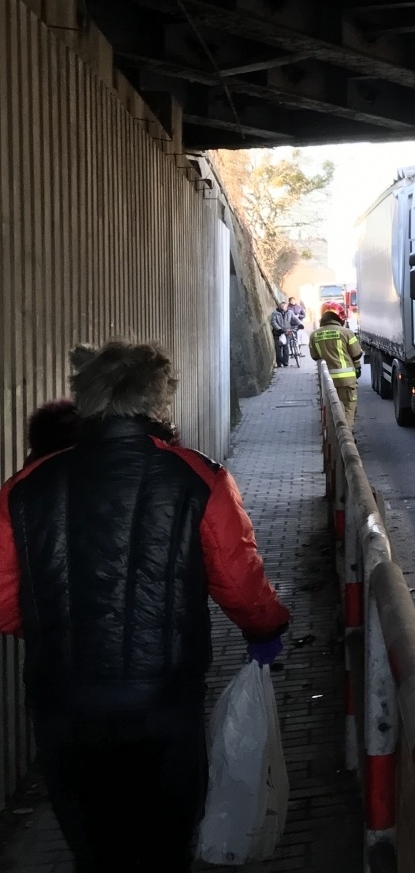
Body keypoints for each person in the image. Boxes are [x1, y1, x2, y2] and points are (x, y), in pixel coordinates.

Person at [0, 342, 290, 872]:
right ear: (159, 402)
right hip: (163, 700)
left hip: (62, 702)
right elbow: (238, 578)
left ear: (84, 399)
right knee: (165, 845)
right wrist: (266, 626)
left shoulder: (25, 487)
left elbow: (3, 600)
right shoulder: (198, 476)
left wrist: (56, 624)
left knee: (95, 849)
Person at [309, 309, 364, 425]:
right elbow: (357, 353)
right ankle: (346, 439)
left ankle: (333, 438)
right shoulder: (346, 332)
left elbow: (315, 356)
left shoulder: (314, 335)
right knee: (348, 409)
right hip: (347, 380)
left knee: (332, 410)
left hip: (328, 380)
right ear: (338, 320)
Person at [269, 301, 294, 368]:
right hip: (277, 333)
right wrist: (279, 329)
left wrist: (300, 324)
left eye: (285, 307)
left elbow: (294, 318)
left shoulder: (289, 312)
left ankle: (285, 362)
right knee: (278, 348)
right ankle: (279, 362)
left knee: (286, 347)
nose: (285, 308)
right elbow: (273, 322)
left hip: (286, 332)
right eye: (283, 307)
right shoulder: (275, 313)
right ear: (280, 307)